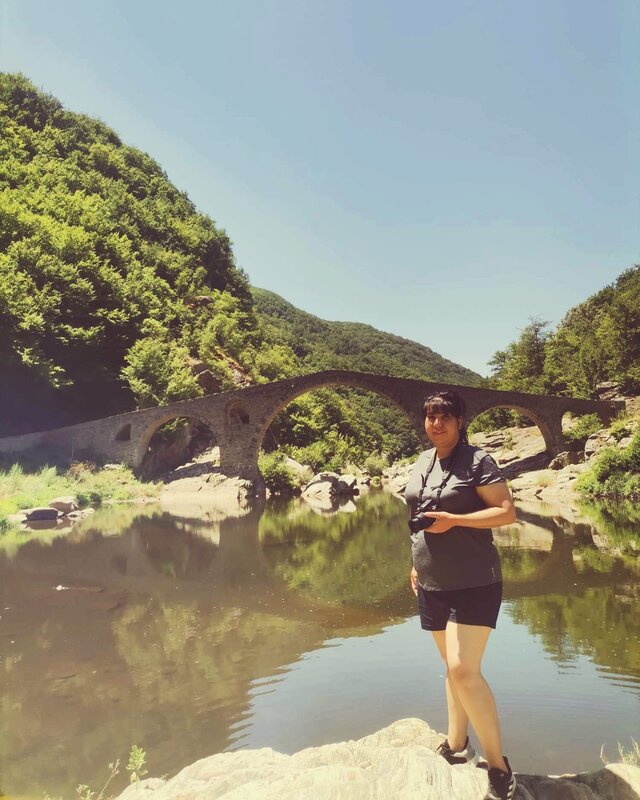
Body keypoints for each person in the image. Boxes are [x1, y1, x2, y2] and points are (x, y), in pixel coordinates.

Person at [405, 390, 517, 800]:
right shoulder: (422, 461)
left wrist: (455, 520)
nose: (437, 424)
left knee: (464, 669)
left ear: (460, 421)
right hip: (431, 580)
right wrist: (416, 562)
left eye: (445, 417)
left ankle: (499, 767)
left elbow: (506, 511)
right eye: (430, 416)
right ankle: (456, 745)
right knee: (452, 669)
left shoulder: (478, 461)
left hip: (474, 581)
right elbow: (417, 516)